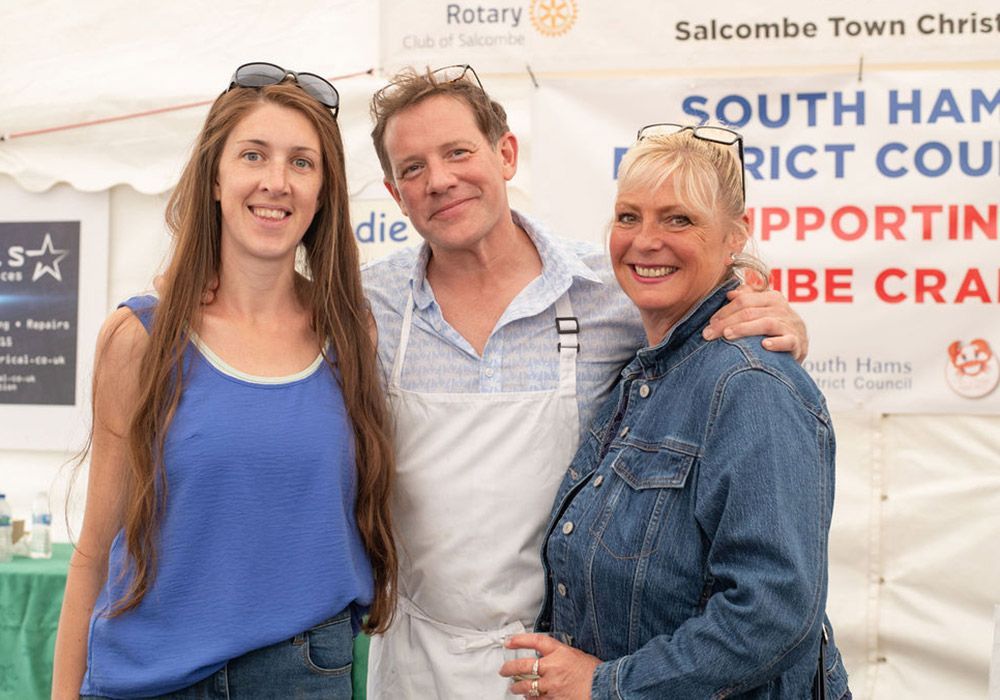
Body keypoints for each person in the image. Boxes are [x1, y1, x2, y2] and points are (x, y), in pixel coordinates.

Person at [362, 66, 811, 698]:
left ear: (506, 153)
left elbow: (708, 310)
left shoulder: (611, 287)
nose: (439, 180)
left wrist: (776, 319)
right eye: (413, 168)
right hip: (417, 659)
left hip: (570, 658)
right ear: (393, 190)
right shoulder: (367, 305)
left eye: (458, 151)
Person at [52, 63, 396, 699]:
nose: (276, 182)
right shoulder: (141, 340)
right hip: (146, 680)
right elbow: (94, 550)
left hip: (298, 676)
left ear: (325, 190)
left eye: (302, 162)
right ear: (215, 177)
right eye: (253, 155)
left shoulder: (352, 336)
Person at [500, 124, 850, 699]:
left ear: (736, 234)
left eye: (679, 219)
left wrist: (605, 685)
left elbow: (773, 614)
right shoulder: (647, 370)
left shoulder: (749, 384)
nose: (645, 241)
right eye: (629, 216)